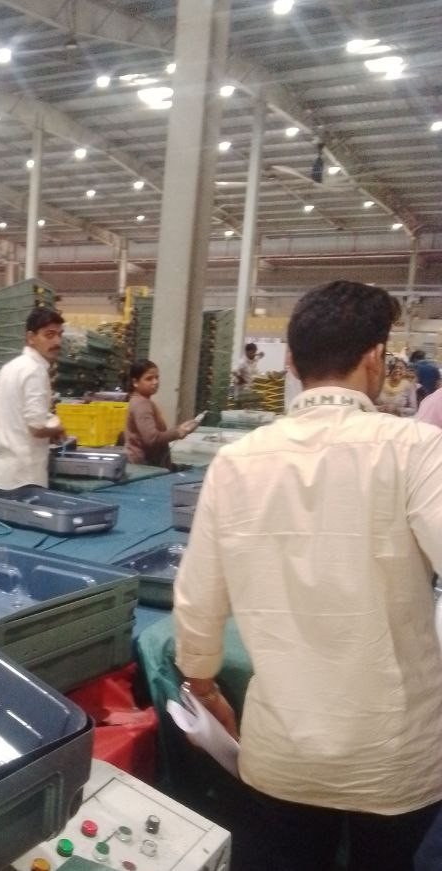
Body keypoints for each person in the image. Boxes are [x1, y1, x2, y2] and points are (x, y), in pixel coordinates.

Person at [173, 280, 442, 871]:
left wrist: (203, 687)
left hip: (282, 754)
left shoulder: (236, 463)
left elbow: (197, 601)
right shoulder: (417, 451)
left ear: (291, 363)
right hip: (394, 757)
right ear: (376, 357)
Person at [0, 307, 65, 489]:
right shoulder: (35, 371)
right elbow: (36, 428)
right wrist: (58, 429)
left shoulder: (9, 368)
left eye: (59, 335)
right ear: (31, 337)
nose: (57, 341)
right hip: (26, 477)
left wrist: (12, 427)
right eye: (49, 335)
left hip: (2, 476)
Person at [123, 359, 199, 469]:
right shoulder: (141, 404)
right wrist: (178, 432)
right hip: (146, 467)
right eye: (149, 379)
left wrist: (180, 428)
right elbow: (152, 439)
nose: (155, 382)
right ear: (135, 382)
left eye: (157, 377)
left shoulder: (142, 401)